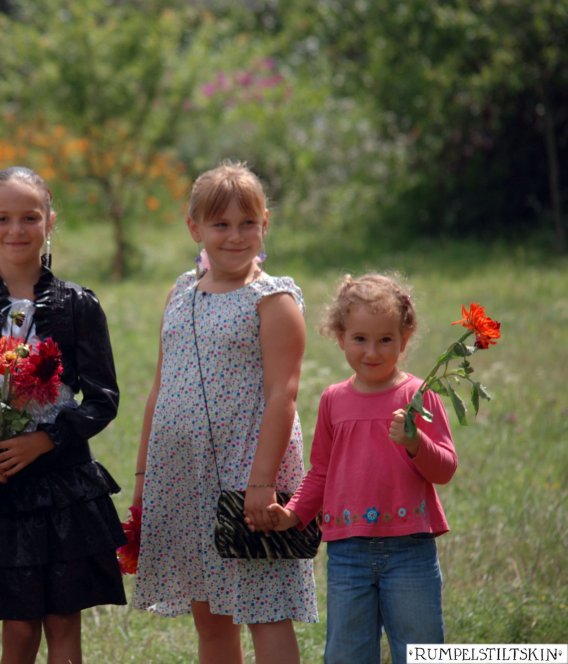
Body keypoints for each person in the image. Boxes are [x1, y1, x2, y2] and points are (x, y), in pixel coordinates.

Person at [131, 160, 317, 664]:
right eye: (220, 224)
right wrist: (145, 477)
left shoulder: (272, 300)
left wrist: (262, 483)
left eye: (247, 223)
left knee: (265, 609)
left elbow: (283, 395)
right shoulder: (181, 292)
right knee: (210, 617)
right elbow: (159, 389)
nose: (235, 236)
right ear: (194, 227)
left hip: (246, 474)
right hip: (184, 476)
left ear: (264, 225)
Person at [0, 166, 126, 664]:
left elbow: (103, 398)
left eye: (30, 217)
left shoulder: (77, 304)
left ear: (50, 221)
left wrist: (46, 439)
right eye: (3, 218)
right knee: (19, 625)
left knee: (64, 621)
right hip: (4, 485)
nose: (17, 229)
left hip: (64, 484)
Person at [261, 273, 457, 664]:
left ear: (405, 338)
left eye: (385, 339)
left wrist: (415, 443)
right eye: (360, 339)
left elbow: (446, 468)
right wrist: (293, 513)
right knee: (347, 653)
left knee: (420, 649)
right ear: (340, 337)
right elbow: (321, 471)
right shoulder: (334, 400)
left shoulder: (418, 397)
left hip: (410, 548)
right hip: (348, 551)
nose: (372, 351)